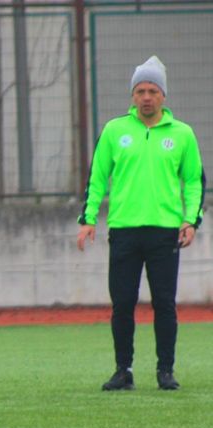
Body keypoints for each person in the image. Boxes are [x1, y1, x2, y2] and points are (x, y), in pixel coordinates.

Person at [77, 55, 205, 392]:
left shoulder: (182, 135)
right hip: (124, 232)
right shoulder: (115, 131)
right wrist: (88, 218)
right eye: (140, 91)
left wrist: (190, 220)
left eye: (152, 90)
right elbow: (97, 177)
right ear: (132, 96)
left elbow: (193, 181)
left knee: (164, 303)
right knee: (122, 303)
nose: (146, 97)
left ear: (163, 95)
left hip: (164, 233)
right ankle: (123, 370)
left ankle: (165, 370)